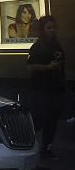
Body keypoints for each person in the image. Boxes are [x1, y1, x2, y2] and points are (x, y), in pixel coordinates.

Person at [27, 15, 66, 159]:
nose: (52, 30)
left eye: (53, 27)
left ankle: (47, 148)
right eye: (48, 28)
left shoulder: (57, 45)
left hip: (56, 89)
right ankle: (24, 140)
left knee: (52, 120)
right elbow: (30, 68)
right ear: (42, 30)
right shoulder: (37, 47)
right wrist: (48, 67)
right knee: (41, 119)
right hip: (41, 89)